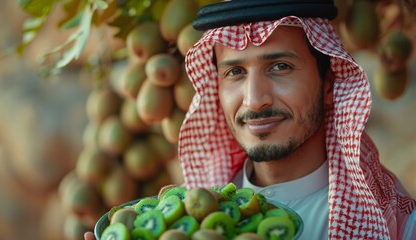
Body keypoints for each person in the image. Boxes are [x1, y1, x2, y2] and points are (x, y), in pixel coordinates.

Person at [86, 0, 416, 239]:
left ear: (329, 83)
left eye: (280, 67)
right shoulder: (188, 219)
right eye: (235, 72)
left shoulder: (399, 226)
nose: (254, 100)